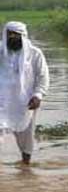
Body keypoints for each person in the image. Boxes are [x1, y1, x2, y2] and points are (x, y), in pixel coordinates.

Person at [0, 22, 49, 165]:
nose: (12, 37)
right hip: (2, 99)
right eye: (9, 34)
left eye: (16, 34)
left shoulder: (35, 53)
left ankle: (25, 166)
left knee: (26, 135)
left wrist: (38, 95)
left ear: (23, 35)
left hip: (25, 101)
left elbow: (43, 76)